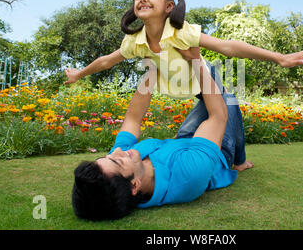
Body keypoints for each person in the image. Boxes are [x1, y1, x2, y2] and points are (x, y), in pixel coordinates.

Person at [64, 0, 303, 99]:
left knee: (226, 109)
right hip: (182, 88)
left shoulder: (181, 32)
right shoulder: (135, 41)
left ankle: (239, 157)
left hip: (204, 80)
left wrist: (279, 58)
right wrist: (78, 74)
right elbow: (105, 62)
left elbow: (226, 46)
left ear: (168, 6)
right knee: (203, 121)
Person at [72, 55, 253, 221]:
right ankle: (240, 160)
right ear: (134, 186)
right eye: (117, 161)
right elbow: (217, 116)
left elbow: (132, 119)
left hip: (183, 141)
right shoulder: (189, 175)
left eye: (108, 156)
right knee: (227, 98)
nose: (117, 151)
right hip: (218, 150)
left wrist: (154, 69)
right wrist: (195, 58)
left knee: (212, 85)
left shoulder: (118, 166)